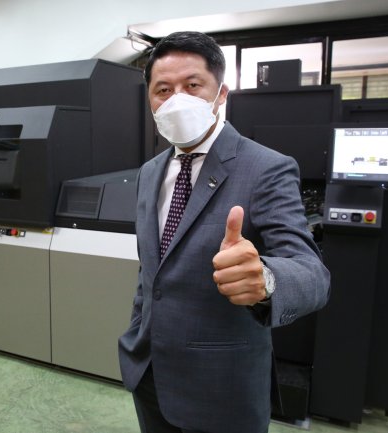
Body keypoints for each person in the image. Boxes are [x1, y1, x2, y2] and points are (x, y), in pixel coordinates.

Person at [118, 31, 330, 433]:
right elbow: (152, 274)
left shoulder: (266, 168)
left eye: (192, 85)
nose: (177, 99)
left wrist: (266, 279)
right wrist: (136, 333)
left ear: (221, 94)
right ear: (150, 100)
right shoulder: (150, 172)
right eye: (163, 90)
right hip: (148, 374)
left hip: (221, 387)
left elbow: (313, 275)